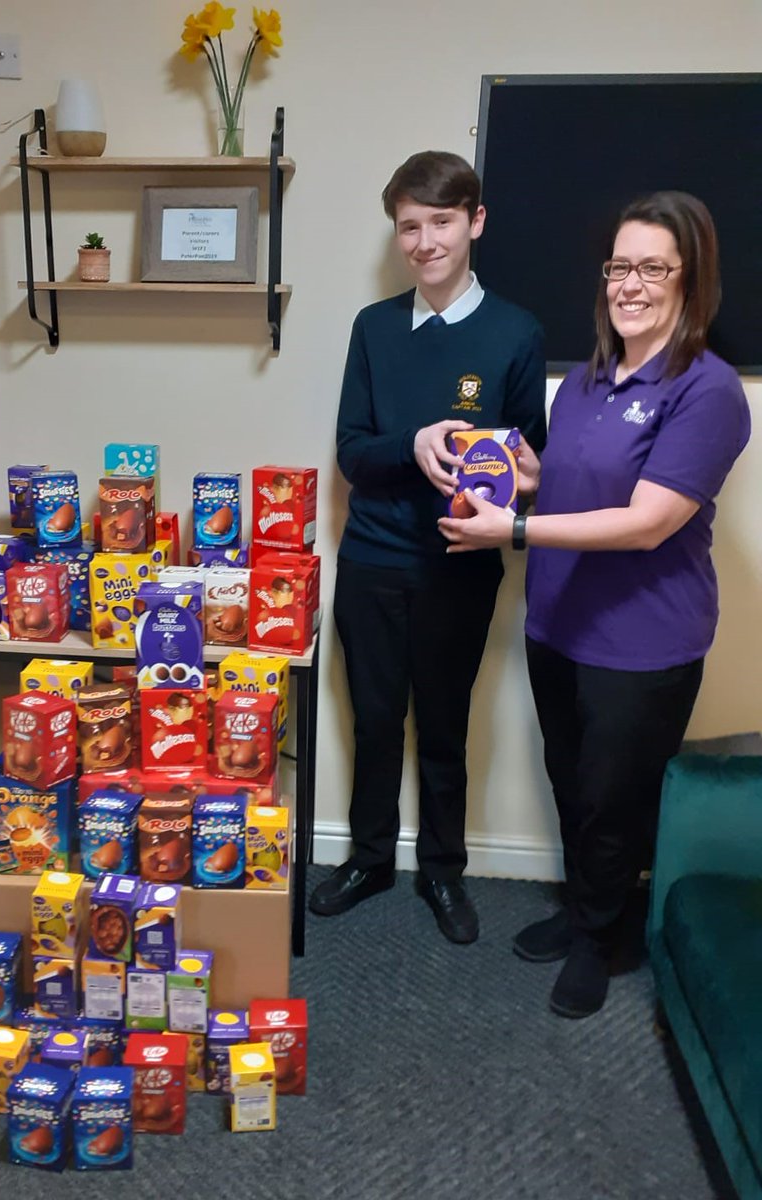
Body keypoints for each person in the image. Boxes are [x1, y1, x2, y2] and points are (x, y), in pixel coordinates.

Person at [438, 191, 750, 1015]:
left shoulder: (706, 390)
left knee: (614, 800)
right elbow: (573, 482)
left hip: (643, 642)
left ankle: (601, 942)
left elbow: (648, 522)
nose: (630, 284)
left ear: (692, 279)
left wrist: (513, 529)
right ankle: (586, 913)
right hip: (559, 622)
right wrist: (506, 471)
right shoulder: (583, 380)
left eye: (653, 267)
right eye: (619, 265)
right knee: (571, 783)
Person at [309, 151, 547, 942]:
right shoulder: (374, 328)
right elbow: (350, 451)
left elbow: (529, 466)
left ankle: (443, 871)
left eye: (440, 221)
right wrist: (409, 445)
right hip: (373, 558)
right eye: (408, 226)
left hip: (459, 564)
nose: (423, 240)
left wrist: (514, 475)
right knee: (375, 721)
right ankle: (370, 858)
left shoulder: (516, 332)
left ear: (473, 222)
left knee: (443, 725)